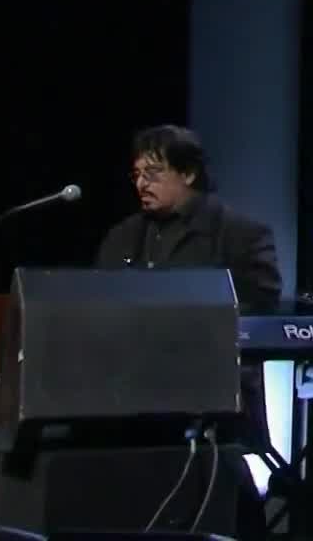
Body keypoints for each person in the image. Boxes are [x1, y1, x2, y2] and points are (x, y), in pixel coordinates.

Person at [96, 124, 284, 448]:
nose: (141, 184)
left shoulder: (241, 235)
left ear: (188, 173)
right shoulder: (121, 237)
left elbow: (258, 308)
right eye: (137, 174)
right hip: (128, 396)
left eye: (153, 173)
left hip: (211, 396)